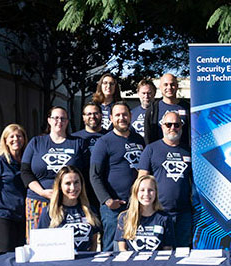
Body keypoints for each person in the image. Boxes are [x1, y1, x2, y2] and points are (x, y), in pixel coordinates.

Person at [21, 106, 86, 238]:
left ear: (67, 121)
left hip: (68, 203)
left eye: (63, 118)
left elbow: (84, 172)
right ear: (49, 120)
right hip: (38, 200)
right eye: (55, 118)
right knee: (37, 242)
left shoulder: (78, 143)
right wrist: (42, 192)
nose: (59, 121)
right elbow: (25, 171)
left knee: (64, 242)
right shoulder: (36, 142)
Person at [90, 101, 145, 251]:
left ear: (130, 116)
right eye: (118, 115)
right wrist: (107, 201)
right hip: (114, 208)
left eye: (125, 114)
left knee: (135, 246)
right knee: (110, 249)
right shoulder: (104, 142)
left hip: (135, 205)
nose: (122, 118)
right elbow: (94, 175)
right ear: (112, 118)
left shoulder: (139, 140)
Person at [137, 111, 192, 247]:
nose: (172, 128)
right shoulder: (151, 149)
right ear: (162, 126)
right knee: (160, 255)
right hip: (158, 213)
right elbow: (141, 181)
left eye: (176, 125)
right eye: (168, 124)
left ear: (181, 127)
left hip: (183, 214)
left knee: (182, 254)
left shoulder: (189, 150)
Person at [0, 124, 28, 252]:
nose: (16, 139)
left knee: (23, 252)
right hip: (4, 216)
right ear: (5, 141)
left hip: (24, 215)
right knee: (7, 253)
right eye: (12, 136)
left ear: (24, 139)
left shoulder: (27, 161)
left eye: (19, 136)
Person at [38, 166, 100, 252]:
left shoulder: (90, 210)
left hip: (86, 262)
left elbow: (94, 242)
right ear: (59, 186)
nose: (73, 188)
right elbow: (41, 244)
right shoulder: (48, 212)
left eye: (76, 182)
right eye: (68, 183)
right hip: (60, 262)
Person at [115, 175, 175, 251]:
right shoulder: (124, 217)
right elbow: (122, 249)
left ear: (156, 192)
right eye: (142, 190)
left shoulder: (165, 218)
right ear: (136, 193)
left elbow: (167, 249)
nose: (146, 194)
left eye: (150, 190)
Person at [72, 102, 107, 211]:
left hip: (105, 187)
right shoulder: (74, 138)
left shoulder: (109, 136)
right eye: (88, 114)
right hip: (82, 189)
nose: (92, 116)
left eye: (96, 113)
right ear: (83, 117)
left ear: (101, 115)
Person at [144, 73, 190, 146]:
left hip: (182, 153)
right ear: (160, 87)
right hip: (159, 153)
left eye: (172, 84)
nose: (169, 87)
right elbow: (148, 136)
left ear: (177, 86)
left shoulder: (187, 108)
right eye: (165, 84)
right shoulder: (153, 109)